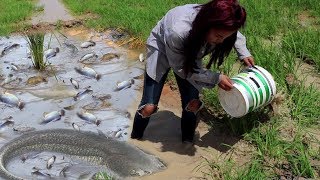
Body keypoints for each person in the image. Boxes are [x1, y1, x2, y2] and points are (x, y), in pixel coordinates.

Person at [131, 0, 254, 143]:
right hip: (162, 47)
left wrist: (243, 52)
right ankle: (135, 140)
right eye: (219, 36)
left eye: (224, 37)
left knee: (193, 104)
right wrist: (216, 78)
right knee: (148, 108)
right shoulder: (178, 31)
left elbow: (232, 32)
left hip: (191, 48)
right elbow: (182, 69)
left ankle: (187, 143)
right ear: (207, 25)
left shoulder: (218, 25)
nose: (221, 41)